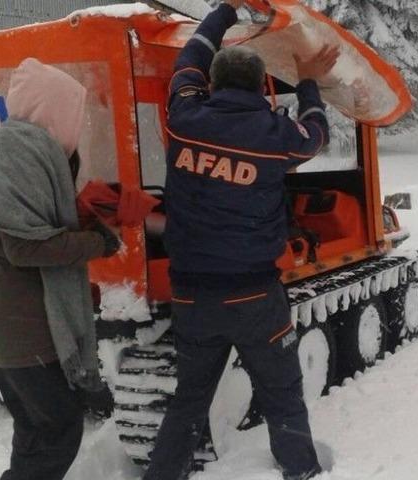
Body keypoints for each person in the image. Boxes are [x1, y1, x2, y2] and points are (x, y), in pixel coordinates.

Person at [145, 1, 340, 479]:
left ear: (212, 84)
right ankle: (300, 468)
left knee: (190, 398)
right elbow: (316, 134)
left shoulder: (183, 117)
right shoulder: (276, 134)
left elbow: (190, 57)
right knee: (281, 391)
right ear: (260, 88)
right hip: (254, 298)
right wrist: (307, 80)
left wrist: (227, 10)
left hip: (190, 296)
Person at [0, 58, 118, 480]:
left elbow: (26, 227)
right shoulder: (23, 158)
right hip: (24, 330)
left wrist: (98, 209)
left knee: (36, 430)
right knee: (59, 428)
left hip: (6, 323)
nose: (75, 125)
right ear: (52, 109)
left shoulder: (8, 152)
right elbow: (26, 246)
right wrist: (97, 243)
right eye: (71, 113)